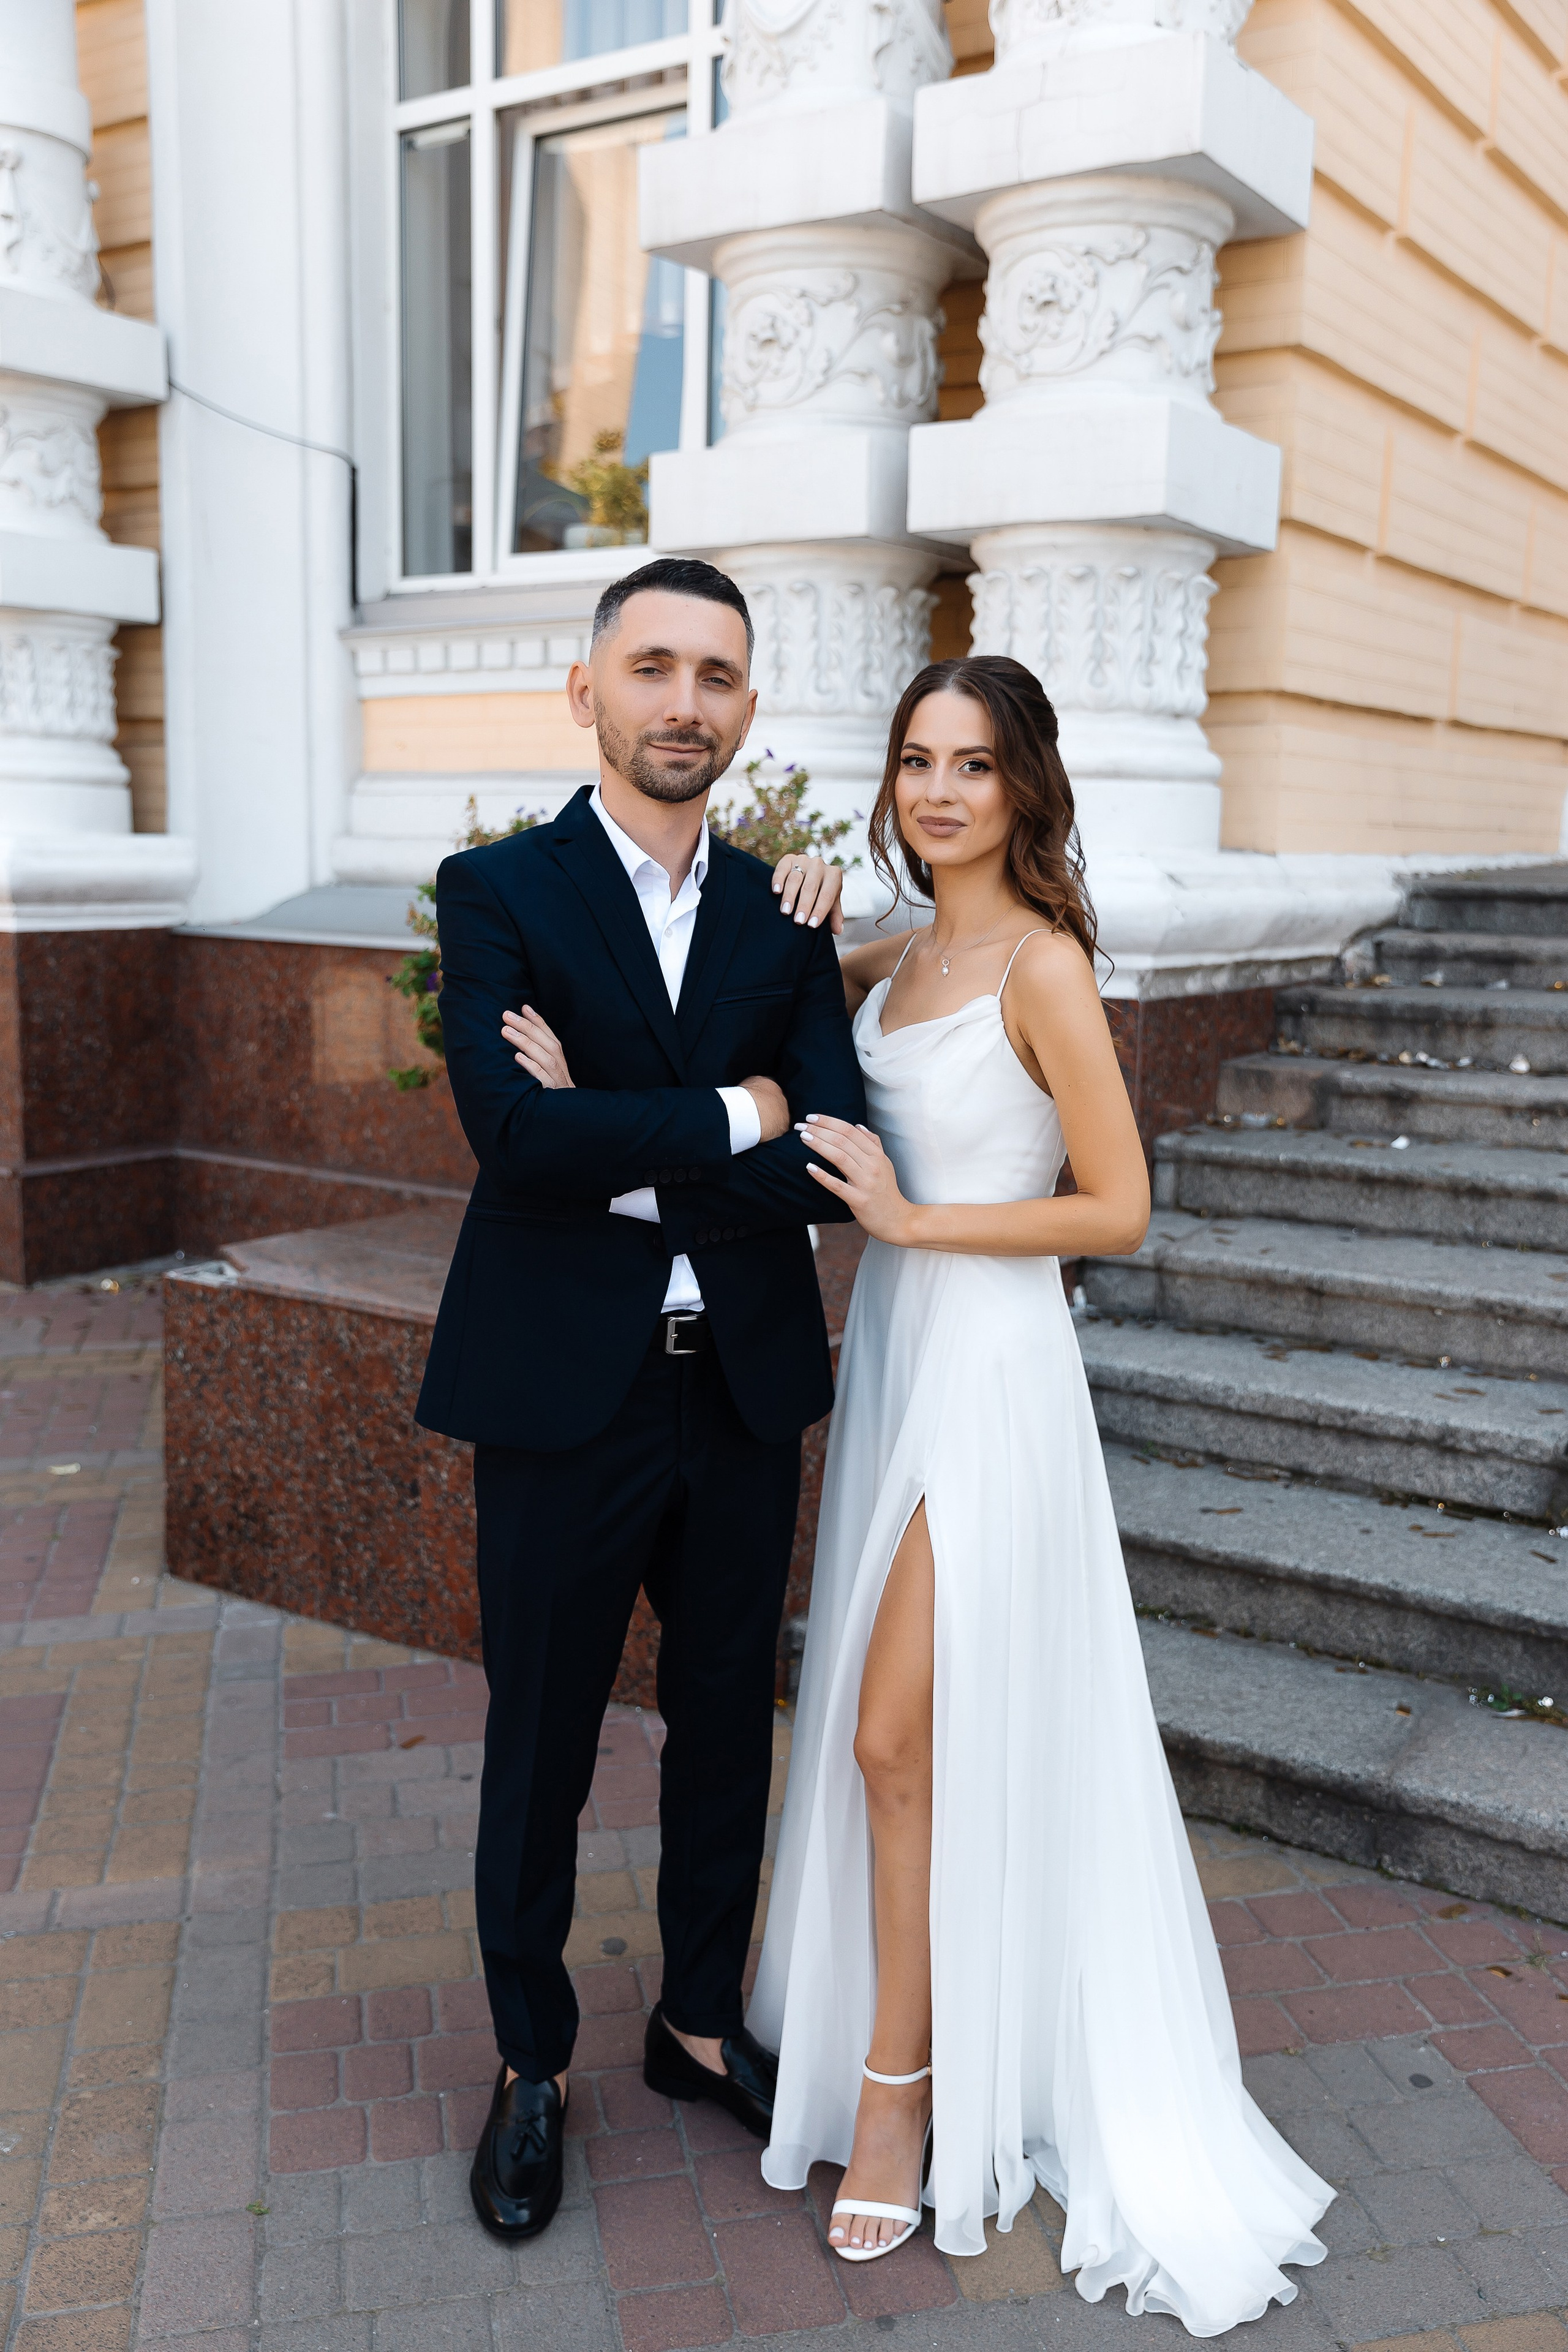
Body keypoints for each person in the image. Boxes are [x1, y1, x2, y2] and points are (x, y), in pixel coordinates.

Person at [748, 656, 1333, 2334]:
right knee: (910, 1740)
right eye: (918, 762)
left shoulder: (1044, 964)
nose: (940, 792)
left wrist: (921, 1227)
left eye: (975, 767)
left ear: (1025, 789)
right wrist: (793, 908)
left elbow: (1123, 1205)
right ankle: (928, 2039)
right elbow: (763, 999)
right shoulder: (906, 947)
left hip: (994, 1374)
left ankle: (899, 2091)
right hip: (897, 1365)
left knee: (879, 1731)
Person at [415, 556, 865, 2244]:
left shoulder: (785, 915)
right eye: (655, 666)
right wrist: (735, 1109)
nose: (687, 701)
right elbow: (510, 1141)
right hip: (562, 1401)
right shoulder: (498, 888)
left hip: (739, 1389)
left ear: (748, 709)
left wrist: (641, 1126)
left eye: (720, 675)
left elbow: (823, 1164)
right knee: (537, 1742)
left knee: (722, 1731)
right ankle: (532, 2065)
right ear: (587, 689)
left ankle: (693, 2019)